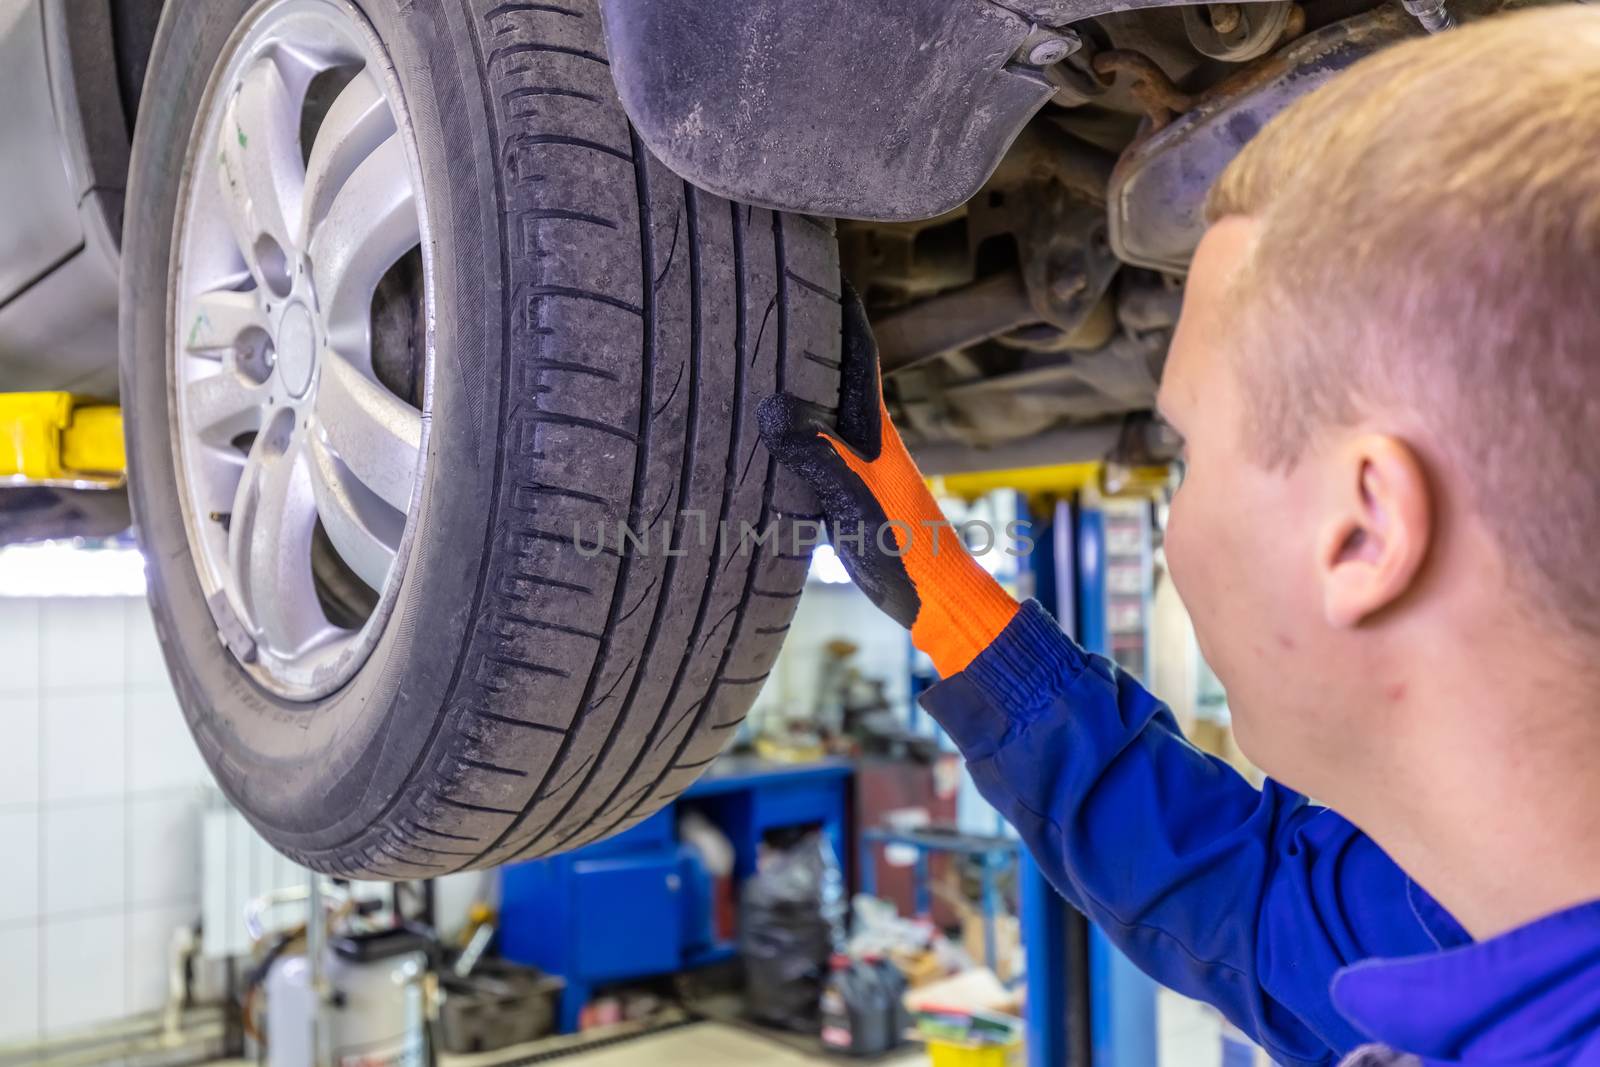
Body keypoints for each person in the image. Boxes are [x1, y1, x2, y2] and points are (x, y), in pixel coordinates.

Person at [757, 7, 1600, 1065]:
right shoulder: (1465, 910)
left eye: (1189, 450)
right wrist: (948, 594)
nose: (1174, 518)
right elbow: (1245, 897)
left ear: (1362, 531)